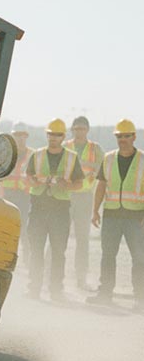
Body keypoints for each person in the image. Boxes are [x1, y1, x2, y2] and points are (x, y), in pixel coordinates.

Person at [87, 119, 144, 311]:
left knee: (139, 257)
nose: (123, 139)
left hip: (136, 217)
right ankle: (105, 294)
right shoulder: (109, 158)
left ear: (134, 137)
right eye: (119, 136)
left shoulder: (143, 160)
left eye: (127, 136)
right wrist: (95, 210)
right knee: (108, 255)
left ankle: (140, 297)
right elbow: (101, 185)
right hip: (112, 215)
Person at [25, 118, 84, 301]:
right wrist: (34, 181)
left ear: (63, 137)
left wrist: (66, 185)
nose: (53, 138)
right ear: (47, 134)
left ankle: (56, 290)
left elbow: (79, 184)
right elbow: (28, 177)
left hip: (60, 210)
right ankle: (34, 288)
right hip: (39, 208)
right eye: (51, 134)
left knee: (58, 252)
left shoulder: (71, 158)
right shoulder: (37, 155)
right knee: (36, 250)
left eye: (57, 135)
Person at [63, 116, 104, 289]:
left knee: (82, 239)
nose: (79, 132)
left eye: (82, 129)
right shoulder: (65, 147)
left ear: (87, 130)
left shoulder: (96, 150)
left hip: (85, 198)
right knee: (59, 237)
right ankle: (51, 274)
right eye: (76, 129)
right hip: (65, 197)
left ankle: (80, 277)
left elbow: (103, 175)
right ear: (72, 130)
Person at [0, 122, 33, 263]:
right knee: (7, 227)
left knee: (24, 228)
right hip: (8, 194)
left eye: (23, 135)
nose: (20, 138)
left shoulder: (32, 155)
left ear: (27, 136)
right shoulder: (7, 153)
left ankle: (26, 258)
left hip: (25, 196)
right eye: (18, 135)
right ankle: (5, 256)